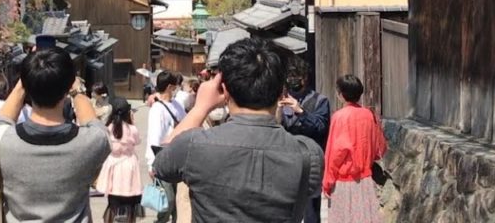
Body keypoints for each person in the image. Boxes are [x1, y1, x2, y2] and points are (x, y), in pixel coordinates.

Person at [153, 38, 324, 222]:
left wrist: (200, 108)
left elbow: (161, 164)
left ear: (224, 89)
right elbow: (312, 189)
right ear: (281, 92)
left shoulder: (194, 145)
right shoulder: (308, 154)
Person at [0, 47, 111, 223]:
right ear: (68, 87)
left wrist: (24, 83)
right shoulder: (91, 142)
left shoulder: (0, 141)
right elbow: (95, 125)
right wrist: (77, 91)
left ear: (26, 87)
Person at [323, 75, 387, 223]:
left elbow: (335, 154)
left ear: (341, 94)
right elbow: (380, 148)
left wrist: (327, 182)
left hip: (344, 182)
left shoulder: (339, 117)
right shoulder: (369, 115)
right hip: (365, 180)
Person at [279, 56, 331, 223]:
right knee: (285, 210)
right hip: (285, 160)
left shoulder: (320, 101)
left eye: (297, 77)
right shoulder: (279, 99)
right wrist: (276, 110)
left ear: (306, 78)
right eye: (290, 77)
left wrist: (300, 111)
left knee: (310, 212)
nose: (293, 81)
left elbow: (321, 128)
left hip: (311, 161)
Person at [145, 70, 186, 223]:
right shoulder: (157, 109)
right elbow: (153, 138)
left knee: (178, 205)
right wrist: (151, 164)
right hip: (163, 158)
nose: (176, 88)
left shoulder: (177, 105)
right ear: (169, 87)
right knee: (166, 202)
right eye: (175, 86)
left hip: (179, 158)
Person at [96, 98, 145, 223]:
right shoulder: (131, 129)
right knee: (129, 202)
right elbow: (138, 141)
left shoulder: (108, 127)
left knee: (113, 202)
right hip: (129, 165)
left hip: (113, 164)